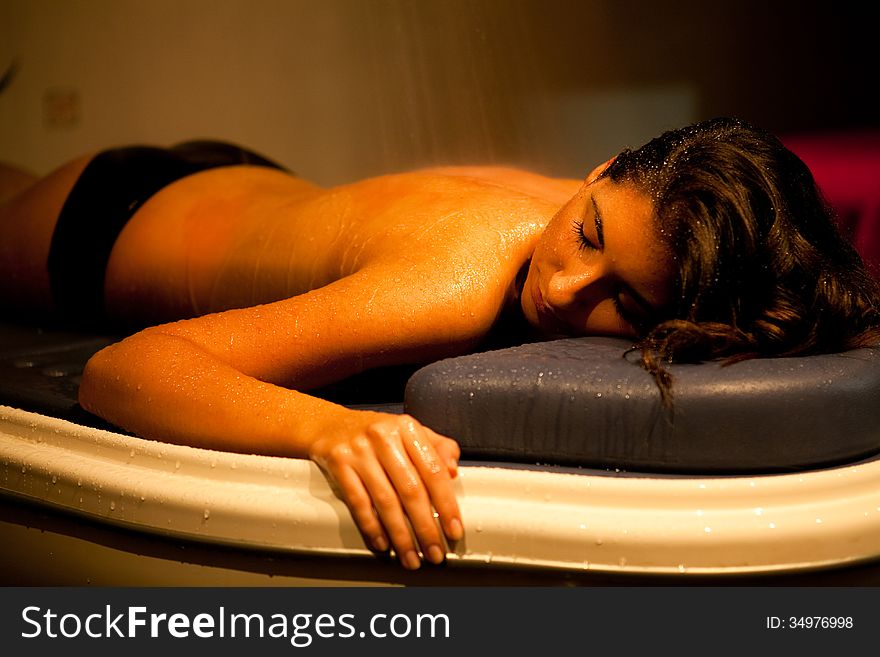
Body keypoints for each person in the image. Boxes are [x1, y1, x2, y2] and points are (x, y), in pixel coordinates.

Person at [1, 117, 878, 570]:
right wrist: (326, 430)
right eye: (589, 233)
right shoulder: (455, 286)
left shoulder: (625, 206)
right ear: (603, 169)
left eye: (626, 300)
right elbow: (125, 369)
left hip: (241, 181)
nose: (566, 287)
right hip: (100, 227)